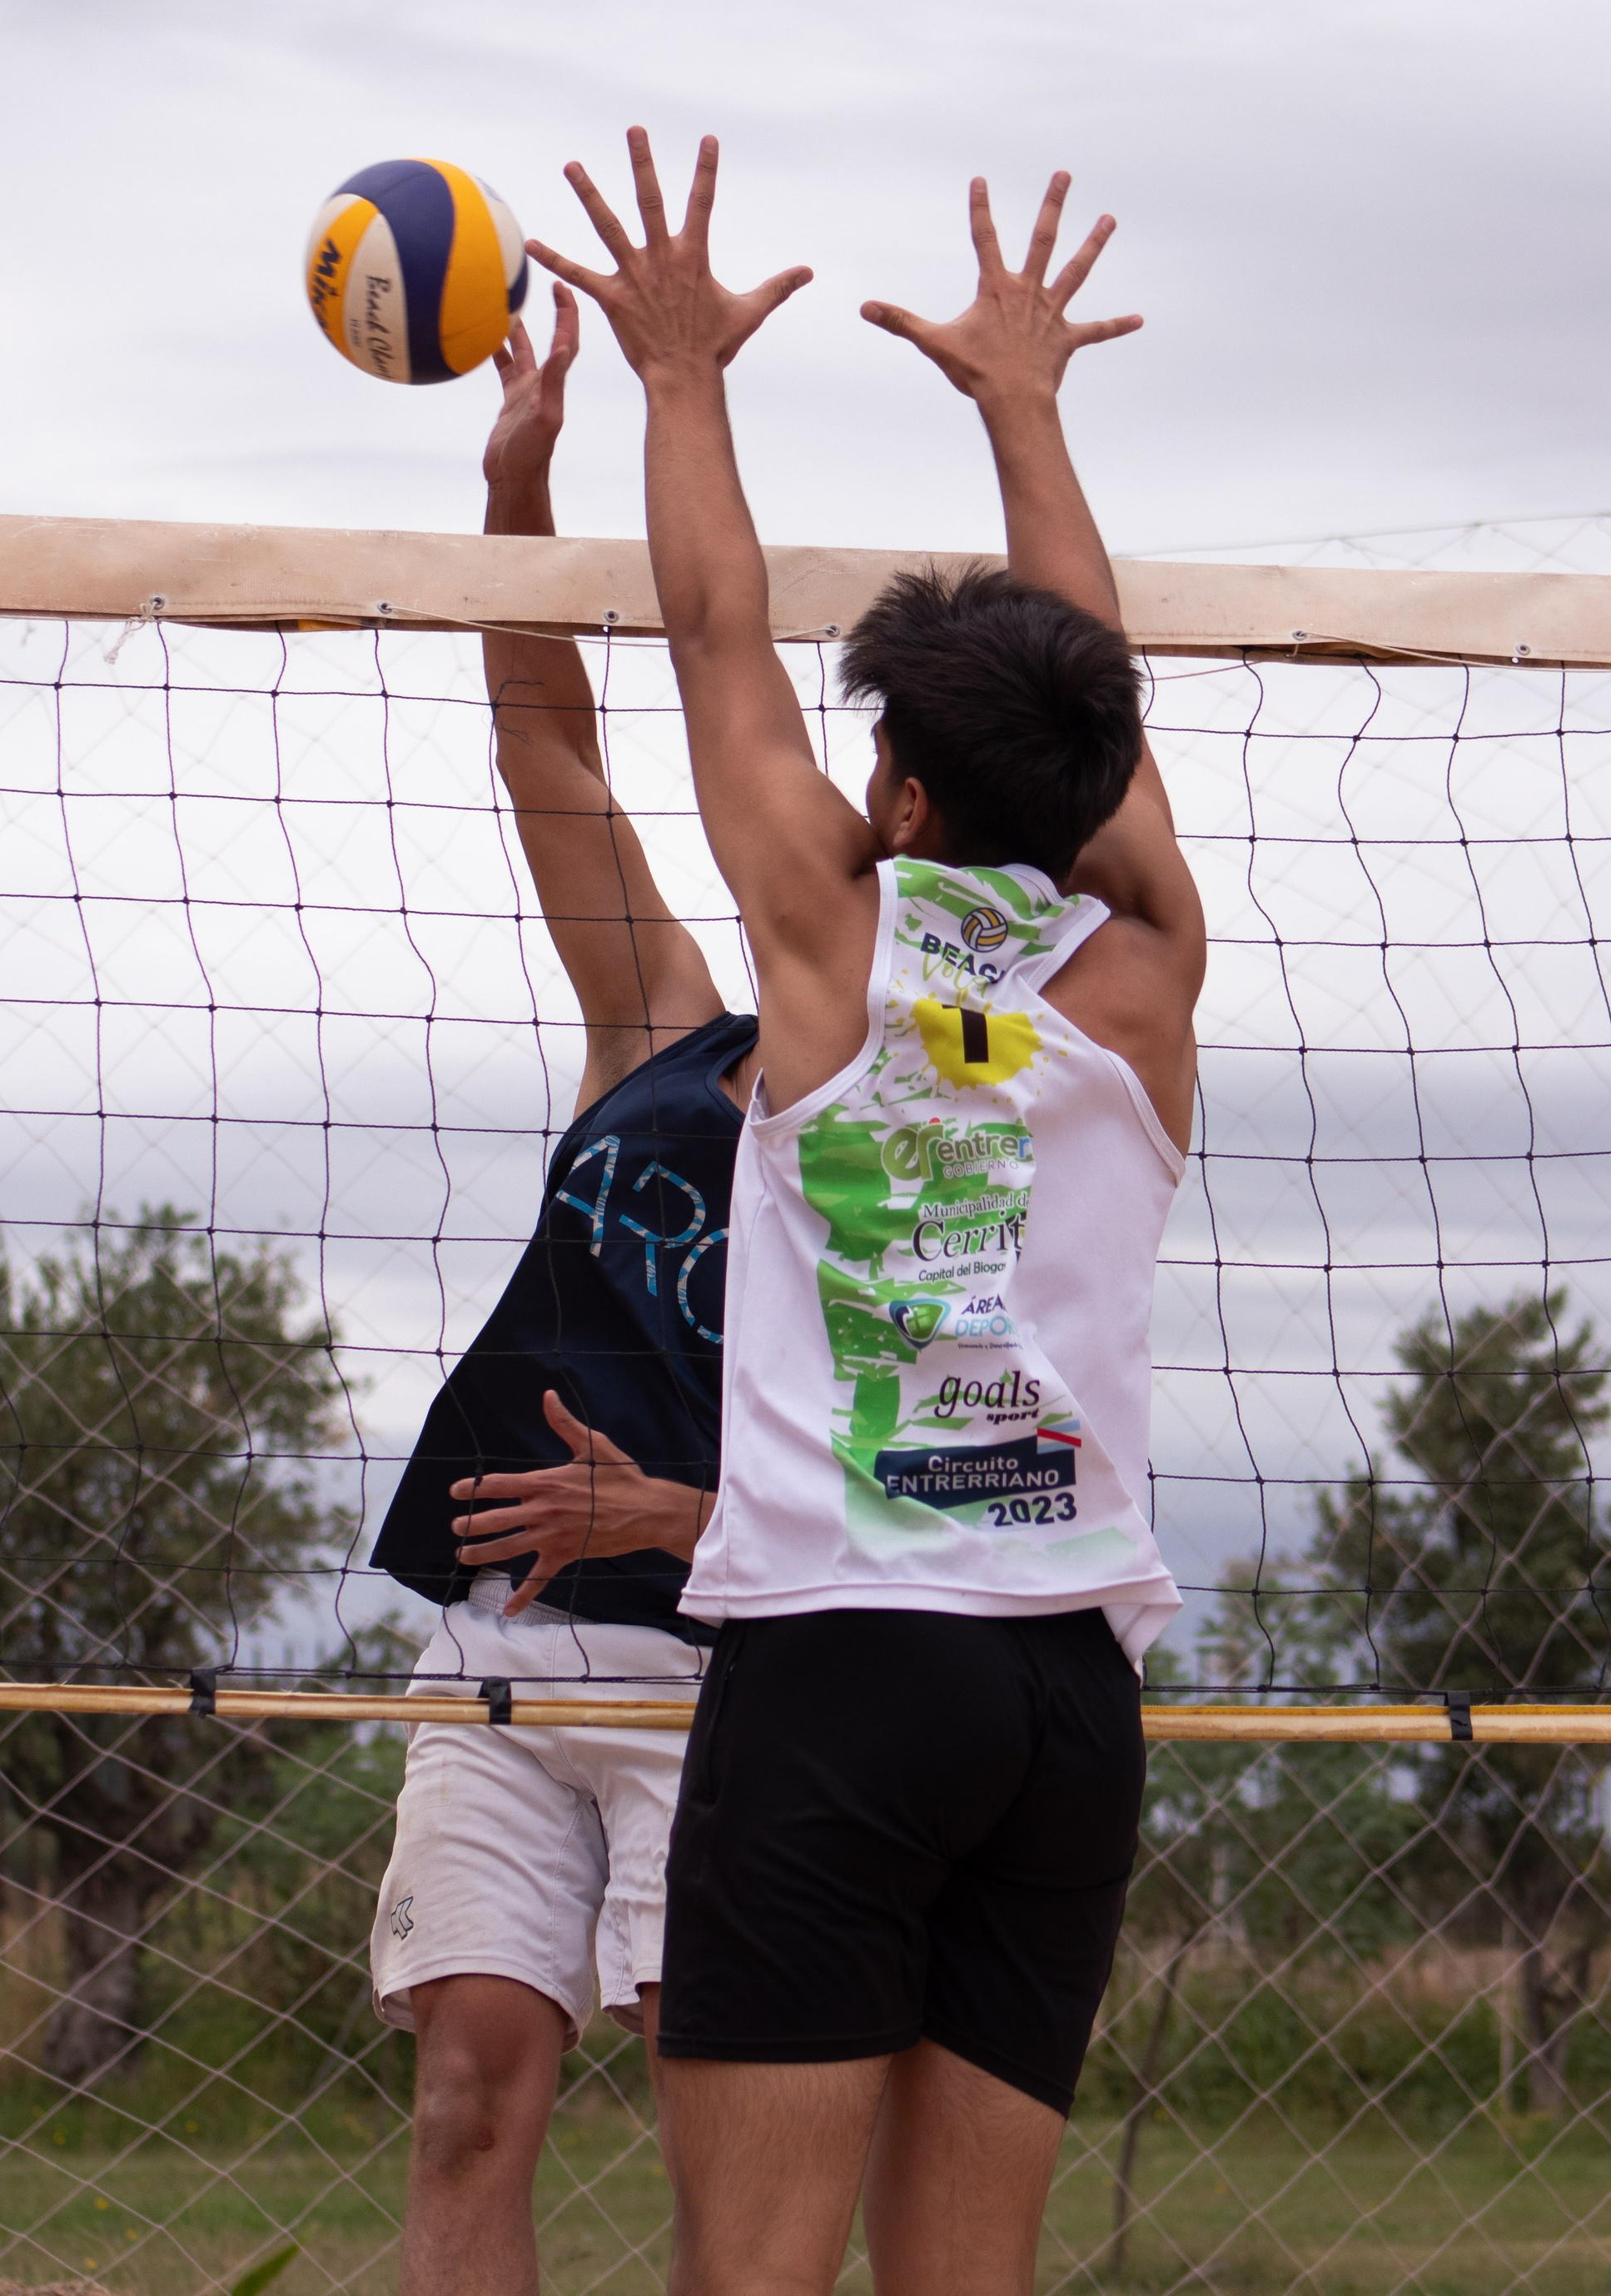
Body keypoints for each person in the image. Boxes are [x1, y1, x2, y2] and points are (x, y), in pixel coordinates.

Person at [530, 135, 1207, 2296]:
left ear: (897, 795)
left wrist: (680, 372)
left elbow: (715, 633)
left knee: (754, 2276)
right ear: (1097, 786)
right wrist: (1027, 404)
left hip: (846, 1671)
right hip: (1061, 1705)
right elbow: (1091, 700)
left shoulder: (830, 957)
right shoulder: (1145, 978)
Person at [366, 285, 760, 2296]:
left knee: (732, 2154)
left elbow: (971, 1477)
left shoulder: (945, 1137)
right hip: (510, 1640)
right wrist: (515, 496)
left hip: (737, 1670)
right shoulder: (672, 1029)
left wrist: (673, 1514)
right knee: (466, 2095)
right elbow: (550, 745)